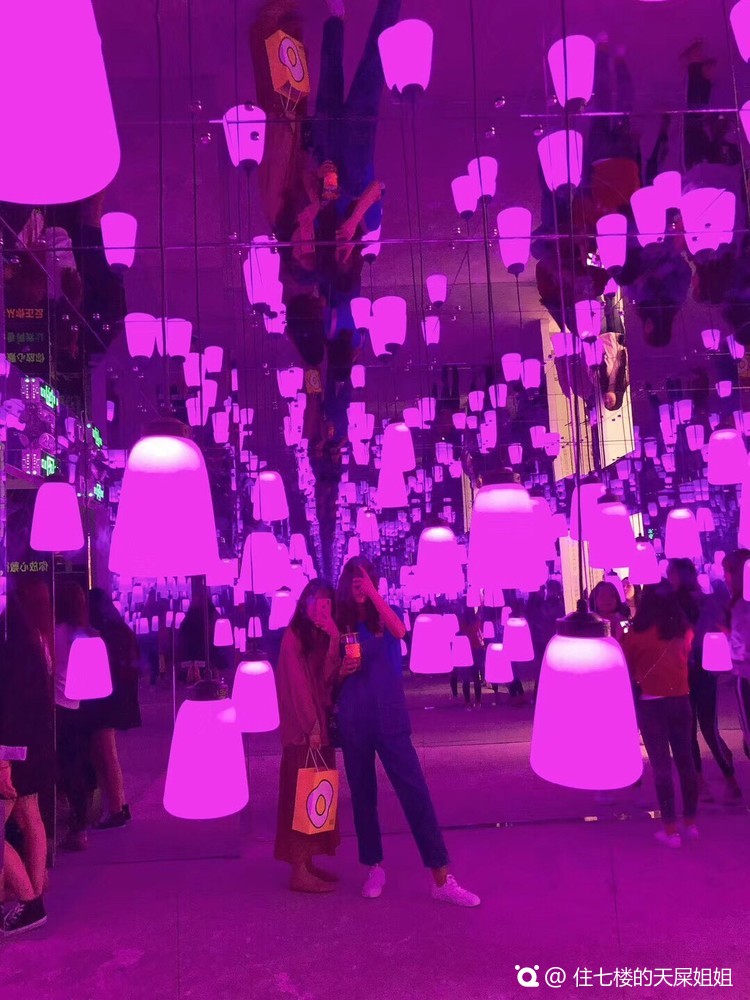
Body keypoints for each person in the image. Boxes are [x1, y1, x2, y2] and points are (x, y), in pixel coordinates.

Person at [336, 557, 479, 906]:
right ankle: (373, 866)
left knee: (415, 792)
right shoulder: (341, 623)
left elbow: (400, 631)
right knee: (363, 796)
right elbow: (329, 672)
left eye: (366, 580)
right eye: (355, 581)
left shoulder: (387, 614)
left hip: (390, 717)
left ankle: (441, 876)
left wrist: (373, 595)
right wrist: (342, 669)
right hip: (354, 717)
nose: (360, 586)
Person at [274, 580, 341, 893]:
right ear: (304, 602)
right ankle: (299, 870)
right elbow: (297, 686)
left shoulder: (316, 636)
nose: (321, 608)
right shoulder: (293, 637)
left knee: (314, 795)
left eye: (327, 602)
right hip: (303, 732)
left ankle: (308, 862)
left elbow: (325, 679)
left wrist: (335, 638)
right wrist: (311, 726)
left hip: (317, 728)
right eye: (316, 601)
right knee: (300, 793)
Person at [621, 584, 698, 847]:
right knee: (686, 762)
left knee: (661, 766)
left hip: (651, 703)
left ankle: (670, 829)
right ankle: (691, 823)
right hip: (681, 700)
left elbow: (628, 665)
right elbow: (686, 656)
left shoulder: (637, 635)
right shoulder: (684, 631)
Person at [0, 590, 53, 935]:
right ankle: (33, 898)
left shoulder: (9, 647)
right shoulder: (33, 641)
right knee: (31, 815)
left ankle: (28, 899)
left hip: (10, 750)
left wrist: (3, 757)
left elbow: (7, 706)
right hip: (33, 745)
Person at [667, 559, 740, 802]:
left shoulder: (675, 605)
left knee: (691, 728)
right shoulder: (707, 602)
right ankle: (728, 780)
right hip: (703, 668)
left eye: (672, 575)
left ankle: (703, 782)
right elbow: (723, 629)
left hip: (685, 669)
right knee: (707, 727)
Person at [83, 589, 142, 829]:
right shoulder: (122, 631)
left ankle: (116, 808)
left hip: (103, 702)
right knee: (109, 755)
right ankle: (120, 805)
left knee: (107, 756)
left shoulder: (101, 635)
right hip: (118, 699)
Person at [55, 580, 96, 851]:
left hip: (59, 705)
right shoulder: (87, 635)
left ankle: (76, 821)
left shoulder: (55, 633)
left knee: (65, 765)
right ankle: (80, 821)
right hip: (81, 705)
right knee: (78, 763)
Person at [721, 550, 750, 761]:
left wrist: (725, 636)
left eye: (727, 572)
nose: (724, 577)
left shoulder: (741, 606)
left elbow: (742, 649)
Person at [451, 608, 483, 709]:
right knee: (476, 677)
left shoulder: (461, 624)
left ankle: (467, 702)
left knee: (466, 679)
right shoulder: (476, 622)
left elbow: (457, 634)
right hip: (475, 651)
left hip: (464, 650)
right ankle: (478, 702)